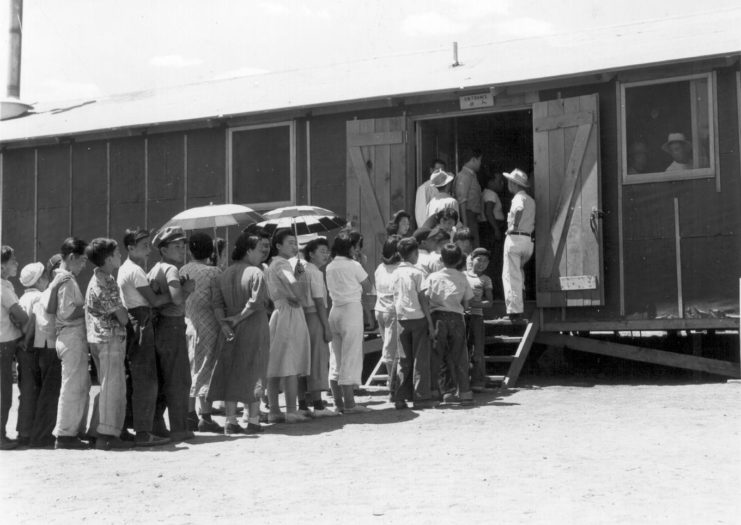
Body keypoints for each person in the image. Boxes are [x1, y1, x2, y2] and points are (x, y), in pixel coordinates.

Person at [208, 231, 271, 434]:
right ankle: (253, 420)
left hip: (228, 329)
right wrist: (239, 317)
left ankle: (231, 420)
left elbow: (216, 304)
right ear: (248, 250)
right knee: (255, 371)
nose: (263, 252)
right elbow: (257, 302)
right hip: (254, 327)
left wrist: (225, 324)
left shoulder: (222, 274)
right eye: (259, 248)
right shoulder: (256, 273)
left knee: (231, 372)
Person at [117, 228, 170, 447]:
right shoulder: (136, 270)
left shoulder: (125, 269)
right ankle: (143, 432)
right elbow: (155, 302)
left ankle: (130, 427)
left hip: (133, 321)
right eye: (144, 245)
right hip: (141, 320)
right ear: (130, 248)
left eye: (149, 244)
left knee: (135, 378)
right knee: (146, 380)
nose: (149, 249)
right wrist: (179, 291)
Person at [84, 238, 133, 450]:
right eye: (116, 253)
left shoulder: (98, 279)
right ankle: (106, 434)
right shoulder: (106, 281)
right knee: (112, 386)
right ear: (107, 258)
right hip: (109, 338)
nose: (120, 256)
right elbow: (121, 315)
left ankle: (98, 431)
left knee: (107, 384)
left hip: (99, 338)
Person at [148, 226, 195, 442]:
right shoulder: (171, 270)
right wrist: (188, 288)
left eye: (183, 245)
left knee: (164, 378)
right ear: (164, 250)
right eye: (176, 246)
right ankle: (179, 428)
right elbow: (177, 298)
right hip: (173, 326)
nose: (181, 250)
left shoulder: (156, 268)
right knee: (179, 378)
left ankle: (157, 426)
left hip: (160, 327)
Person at [16, 259, 67, 448]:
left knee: (28, 392)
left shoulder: (22, 297)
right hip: (35, 347)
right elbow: (32, 324)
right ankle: (35, 434)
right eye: (44, 276)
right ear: (37, 280)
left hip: (27, 348)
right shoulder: (39, 297)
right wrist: (27, 343)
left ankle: (26, 431)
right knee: (39, 392)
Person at [264, 228, 312, 423]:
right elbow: (292, 282)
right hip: (290, 314)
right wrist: (298, 284)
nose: (295, 246)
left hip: (279, 312)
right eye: (290, 242)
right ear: (278, 245)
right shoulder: (282, 263)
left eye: (295, 242)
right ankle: (291, 409)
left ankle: (274, 409)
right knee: (290, 362)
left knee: (275, 363)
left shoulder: (271, 265)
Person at [325, 232, 373, 414]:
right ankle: (350, 403)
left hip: (335, 310)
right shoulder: (354, 265)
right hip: (351, 310)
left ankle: (338, 402)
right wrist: (362, 265)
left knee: (336, 357)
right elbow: (368, 287)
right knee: (351, 355)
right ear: (350, 248)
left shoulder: (330, 266)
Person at [180, 232, 223, 434]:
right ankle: (205, 416)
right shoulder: (214, 272)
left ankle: (190, 413)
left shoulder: (183, 269)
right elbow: (218, 300)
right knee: (207, 365)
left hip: (189, 320)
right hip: (210, 322)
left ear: (190, 249)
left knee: (191, 365)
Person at [424, 243, 474, 405]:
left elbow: (426, 297)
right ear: (459, 259)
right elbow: (467, 303)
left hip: (437, 317)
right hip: (457, 318)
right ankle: (465, 392)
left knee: (438, 356)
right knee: (460, 355)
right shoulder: (462, 277)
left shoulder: (432, 277)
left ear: (441, 259)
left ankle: (441, 392)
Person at [52, 237, 91, 450]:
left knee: (78, 385)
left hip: (70, 336)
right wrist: (90, 306)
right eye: (82, 260)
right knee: (72, 387)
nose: (84, 265)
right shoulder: (66, 279)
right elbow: (67, 313)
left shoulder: (63, 278)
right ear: (72, 257)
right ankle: (65, 434)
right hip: (71, 335)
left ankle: (71, 431)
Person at [391, 237, 436, 410]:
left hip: (401, 319)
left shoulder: (395, 272)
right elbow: (423, 299)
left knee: (404, 360)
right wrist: (430, 323)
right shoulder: (417, 273)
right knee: (420, 360)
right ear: (414, 253)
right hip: (418, 318)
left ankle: (400, 397)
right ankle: (421, 397)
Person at [294, 237, 337, 417]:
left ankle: (302, 403)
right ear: (311, 254)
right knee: (318, 359)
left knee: (302, 360)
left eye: (327, 251)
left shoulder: (300, 270)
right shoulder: (316, 273)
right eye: (321, 251)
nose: (326, 255)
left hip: (300, 317)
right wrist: (326, 327)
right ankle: (318, 404)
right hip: (314, 317)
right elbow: (319, 302)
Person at [1, 246, 29, 450]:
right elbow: (21, 315)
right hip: (4, 344)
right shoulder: (3, 287)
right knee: (3, 392)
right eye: (13, 261)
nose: (16, 263)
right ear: (2, 266)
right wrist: (24, 324)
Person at [502, 169, 535, 321]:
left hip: (515, 238)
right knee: (519, 273)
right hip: (528, 240)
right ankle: (520, 305)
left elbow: (518, 209)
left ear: (513, 183)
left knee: (510, 275)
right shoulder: (531, 200)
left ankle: (514, 312)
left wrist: (513, 227)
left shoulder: (518, 197)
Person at [373, 235, 402, 401]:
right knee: (393, 350)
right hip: (392, 309)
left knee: (388, 346)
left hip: (379, 309)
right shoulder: (399, 269)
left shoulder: (379, 268)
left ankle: (391, 384)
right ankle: (393, 387)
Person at [464, 248, 494, 393]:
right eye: (479, 260)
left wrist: (470, 304)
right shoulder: (462, 276)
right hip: (462, 317)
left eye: (485, 261)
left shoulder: (486, 280)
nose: (482, 264)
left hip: (477, 317)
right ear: (471, 259)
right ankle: (463, 381)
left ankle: (478, 381)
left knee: (478, 350)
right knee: (463, 349)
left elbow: (489, 302)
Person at [481, 173, 506, 296]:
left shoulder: (488, 193)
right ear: (490, 181)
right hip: (492, 229)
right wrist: (496, 229)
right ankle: (494, 291)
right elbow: (488, 212)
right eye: (499, 180)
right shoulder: (490, 194)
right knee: (494, 261)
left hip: (490, 228)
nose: (501, 184)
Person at [455, 147, 484, 247]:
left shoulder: (472, 175)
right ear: (473, 160)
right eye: (480, 160)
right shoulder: (464, 176)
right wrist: (465, 225)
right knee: (471, 246)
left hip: (473, 217)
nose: (480, 163)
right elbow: (462, 200)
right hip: (468, 216)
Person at [415, 159, 446, 228]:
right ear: (431, 170)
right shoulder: (424, 188)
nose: (440, 173)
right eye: (437, 170)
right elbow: (421, 214)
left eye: (442, 171)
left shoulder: (445, 187)